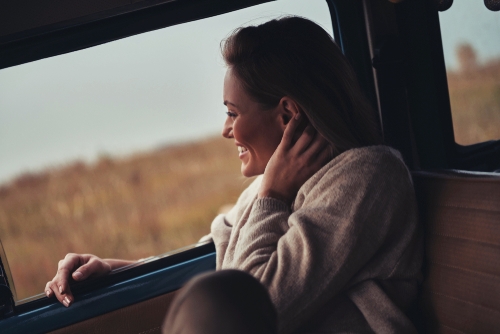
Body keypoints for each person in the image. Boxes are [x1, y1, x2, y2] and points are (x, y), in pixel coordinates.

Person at [46, 16, 422, 333]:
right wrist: (118, 270)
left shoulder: (368, 177)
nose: (226, 131)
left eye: (232, 112)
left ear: (288, 115)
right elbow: (218, 264)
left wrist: (272, 196)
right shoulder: (268, 190)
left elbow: (249, 307)